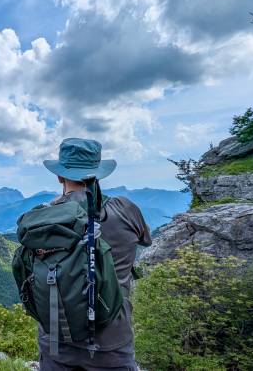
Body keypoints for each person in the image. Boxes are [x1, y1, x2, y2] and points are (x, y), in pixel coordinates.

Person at [38, 138, 152, 371]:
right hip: (113, 340)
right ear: (98, 174)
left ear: (59, 176)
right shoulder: (125, 209)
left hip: (56, 341)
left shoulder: (43, 219)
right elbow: (145, 239)